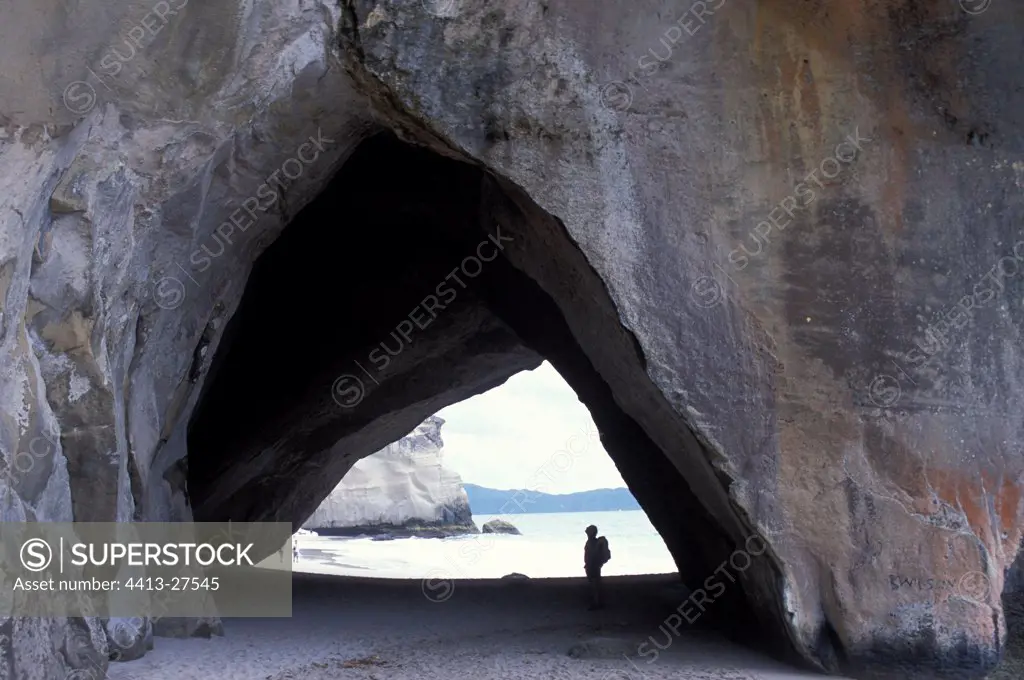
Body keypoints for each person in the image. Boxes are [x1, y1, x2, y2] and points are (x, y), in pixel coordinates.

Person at [583, 524, 611, 610]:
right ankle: (596, 603)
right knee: (594, 585)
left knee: (594, 586)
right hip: (591, 566)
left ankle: (596, 603)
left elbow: (592, 555)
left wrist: (592, 563)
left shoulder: (595, 542)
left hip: (593, 566)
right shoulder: (593, 542)